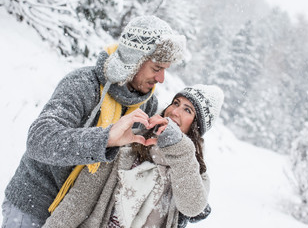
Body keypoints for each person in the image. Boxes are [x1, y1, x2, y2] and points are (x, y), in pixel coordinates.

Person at [2, 15, 186, 228]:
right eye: (156, 68)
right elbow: (39, 139)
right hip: (33, 205)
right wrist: (106, 138)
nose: (161, 78)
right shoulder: (83, 84)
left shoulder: (147, 105)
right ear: (134, 59)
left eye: (165, 69)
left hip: (78, 215)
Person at [42, 84, 224, 228]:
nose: (175, 112)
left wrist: (179, 147)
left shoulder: (194, 171)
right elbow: (79, 201)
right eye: (176, 103)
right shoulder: (129, 142)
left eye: (188, 110)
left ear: (196, 126)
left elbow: (192, 207)